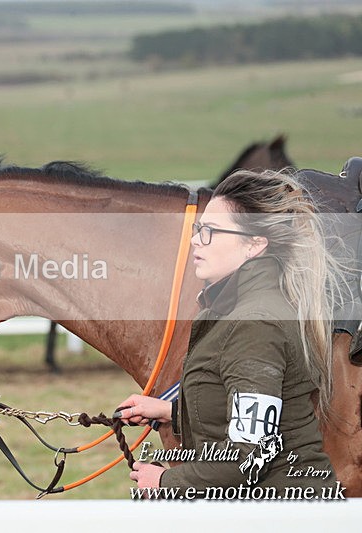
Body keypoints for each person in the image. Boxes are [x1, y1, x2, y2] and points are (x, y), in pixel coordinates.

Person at [116, 169, 343, 496]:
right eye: (198, 230)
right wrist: (170, 411)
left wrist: (166, 481)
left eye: (209, 232)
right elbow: (249, 417)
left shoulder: (254, 324)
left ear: (254, 245)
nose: (195, 240)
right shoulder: (246, 308)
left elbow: (250, 456)